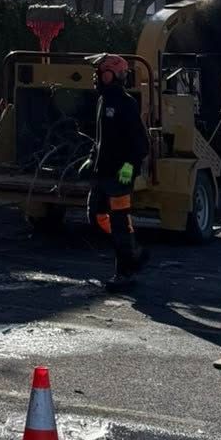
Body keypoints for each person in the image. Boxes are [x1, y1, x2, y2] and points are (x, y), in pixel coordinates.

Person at [87, 52, 151, 289]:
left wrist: (127, 168)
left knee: (120, 224)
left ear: (108, 75)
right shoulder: (103, 102)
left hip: (120, 176)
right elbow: (101, 139)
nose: (95, 78)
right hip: (102, 174)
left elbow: (140, 145)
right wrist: (92, 159)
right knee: (96, 217)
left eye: (98, 73)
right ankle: (134, 255)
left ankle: (124, 273)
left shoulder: (126, 104)